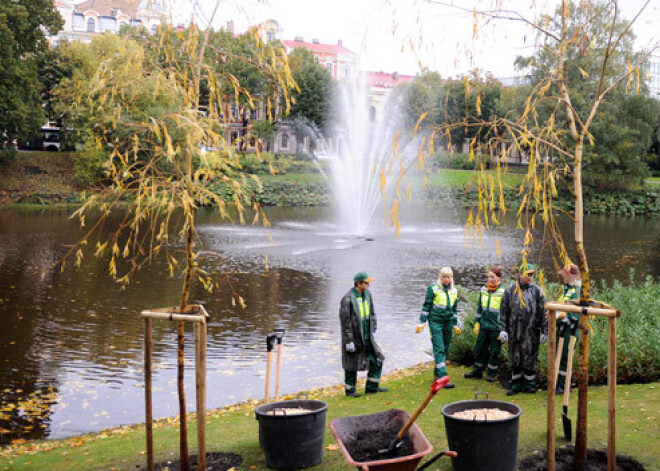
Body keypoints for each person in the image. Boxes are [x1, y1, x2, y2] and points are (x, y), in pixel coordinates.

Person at [499, 263, 547, 396]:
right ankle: (515, 384)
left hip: (531, 332)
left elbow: (544, 312)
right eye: (528, 274)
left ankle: (529, 384)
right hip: (513, 331)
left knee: (530, 358)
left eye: (532, 275)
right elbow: (503, 311)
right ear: (520, 274)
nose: (530, 277)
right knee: (515, 357)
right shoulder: (510, 290)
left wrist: (545, 331)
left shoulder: (537, 291)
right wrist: (502, 329)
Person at [339, 271, 387, 397]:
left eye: (368, 283)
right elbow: (345, 322)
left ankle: (372, 387)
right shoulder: (347, 298)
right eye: (366, 283)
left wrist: (374, 326)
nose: (368, 285)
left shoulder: (368, 295)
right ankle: (350, 391)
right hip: (354, 337)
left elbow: (372, 313)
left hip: (367, 335)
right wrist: (349, 340)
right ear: (358, 283)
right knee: (351, 363)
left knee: (378, 358)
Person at [416, 266, 461, 387]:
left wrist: (455, 324)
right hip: (435, 323)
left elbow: (454, 309)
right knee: (439, 349)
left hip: (448, 323)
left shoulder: (454, 291)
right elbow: (426, 306)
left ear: (451, 278)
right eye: (443, 277)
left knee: (444, 349)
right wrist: (422, 322)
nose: (445, 279)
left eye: (448, 277)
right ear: (440, 277)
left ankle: (437, 374)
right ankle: (443, 378)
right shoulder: (433, 289)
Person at [465, 266, 505, 382]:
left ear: (499, 278)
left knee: (494, 351)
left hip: (496, 327)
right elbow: (479, 308)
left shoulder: (503, 292)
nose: (490, 279)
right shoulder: (483, 290)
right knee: (479, 349)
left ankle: (492, 373)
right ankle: (477, 371)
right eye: (489, 277)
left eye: (493, 277)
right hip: (484, 325)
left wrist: (503, 328)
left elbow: (506, 312)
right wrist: (477, 323)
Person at [555, 263, 581, 395]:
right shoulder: (568, 289)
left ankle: (564, 386)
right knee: (560, 357)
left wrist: (565, 315)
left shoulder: (577, 291)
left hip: (570, 329)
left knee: (565, 357)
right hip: (562, 327)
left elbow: (575, 311)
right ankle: (561, 384)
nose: (563, 278)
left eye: (564, 276)